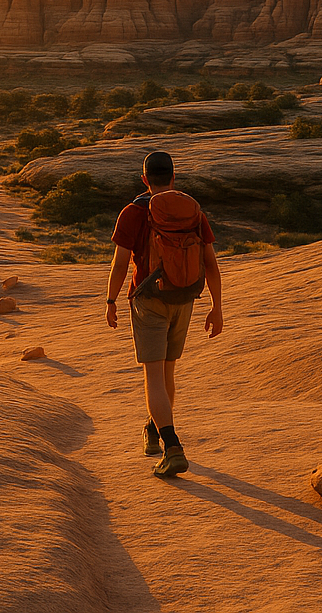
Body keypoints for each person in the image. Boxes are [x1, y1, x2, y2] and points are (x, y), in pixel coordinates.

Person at [104, 150, 223, 477]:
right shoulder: (191, 210)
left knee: (154, 377)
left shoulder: (132, 212)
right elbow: (211, 263)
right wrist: (217, 307)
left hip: (149, 300)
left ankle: (172, 447)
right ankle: (153, 431)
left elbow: (120, 263)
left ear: (144, 179)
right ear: (173, 177)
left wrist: (111, 300)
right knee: (168, 373)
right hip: (184, 298)